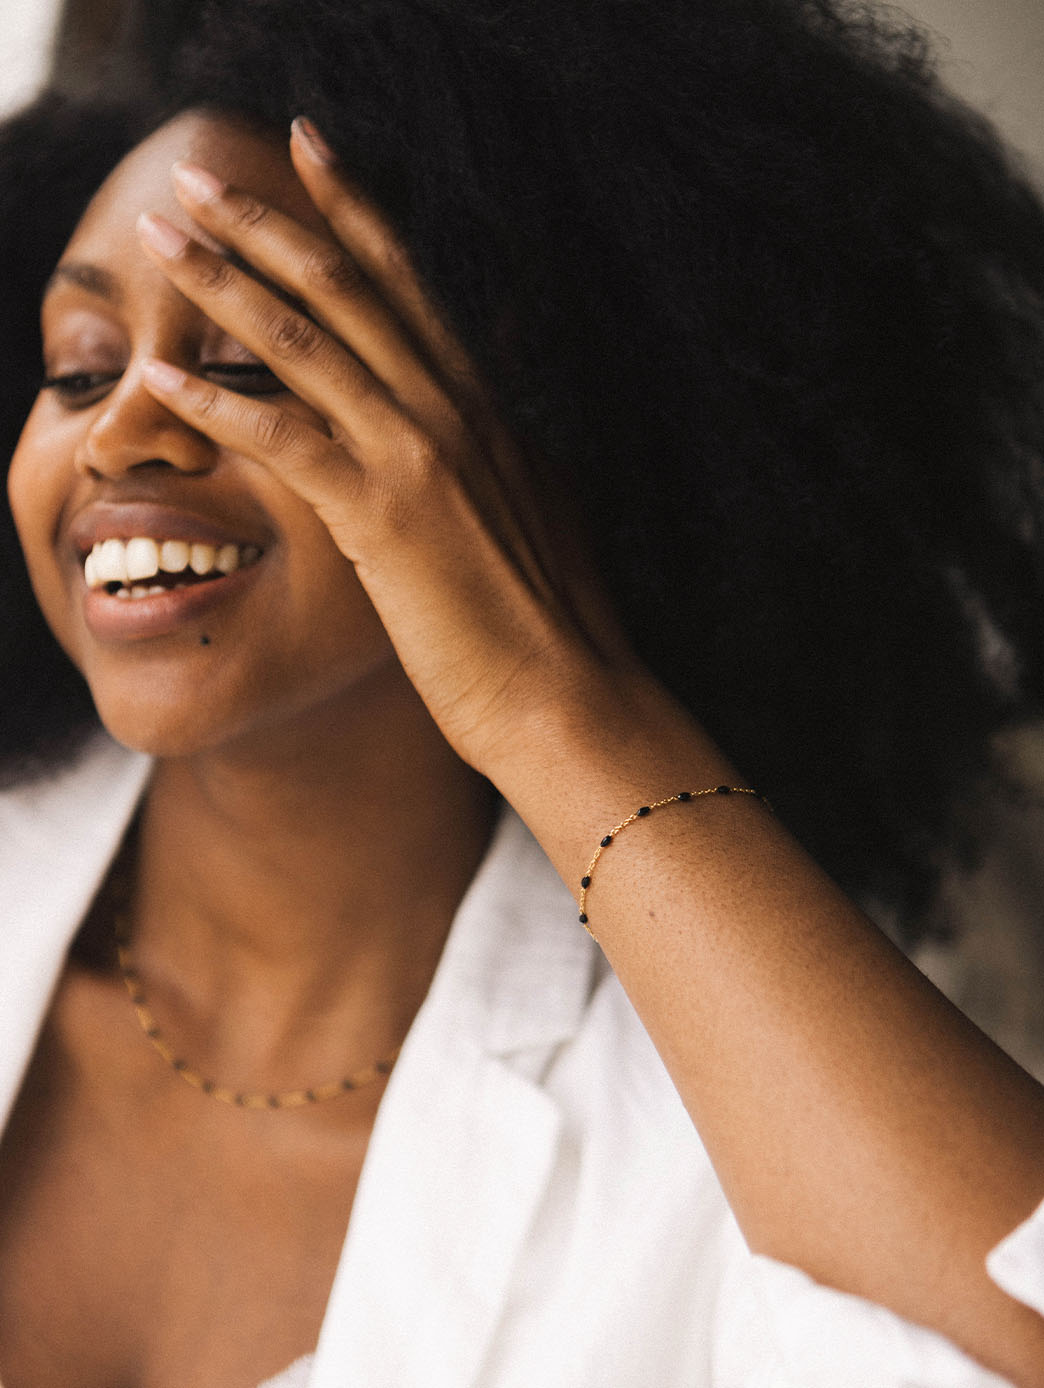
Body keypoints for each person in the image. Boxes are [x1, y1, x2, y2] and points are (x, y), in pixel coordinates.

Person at [1, 1, 1044, 1384]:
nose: (123, 425)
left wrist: (555, 704)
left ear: (534, 449)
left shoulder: (732, 1136)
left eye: (255, 362)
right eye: (78, 366)